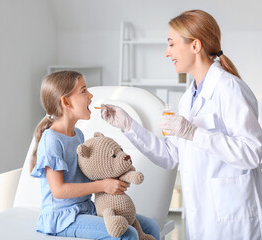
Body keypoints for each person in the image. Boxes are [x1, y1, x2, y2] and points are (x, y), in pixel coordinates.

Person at [101, 10, 262, 240]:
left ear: (195, 45)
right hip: (202, 216)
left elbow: (252, 153)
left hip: (233, 219)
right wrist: (129, 126)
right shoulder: (189, 97)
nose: (167, 53)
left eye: (171, 44)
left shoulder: (229, 89)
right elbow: (170, 155)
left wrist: (194, 133)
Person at [30, 71, 160, 240]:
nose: (90, 96)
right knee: (127, 234)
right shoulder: (51, 139)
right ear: (66, 101)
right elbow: (59, 190)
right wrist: (103, 186)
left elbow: (91, 173)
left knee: (151, 226)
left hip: (87, 208)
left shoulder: (78, 135)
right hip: (62, 218)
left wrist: (118, 175)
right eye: (83, 91)